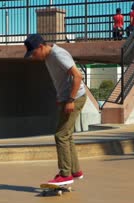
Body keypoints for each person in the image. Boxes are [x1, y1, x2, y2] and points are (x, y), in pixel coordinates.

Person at [24, 34, 86, 186]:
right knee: (67, 135)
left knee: (61, 135)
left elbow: (78, 76)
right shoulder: (48, 56)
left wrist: (70, 100)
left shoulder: (58, 54)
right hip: (67, 98)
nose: (34, 57)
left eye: (34, 53)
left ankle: (65, 174)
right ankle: (75, 171)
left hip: (75, 98)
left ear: (40, 47)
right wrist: (61, 98)